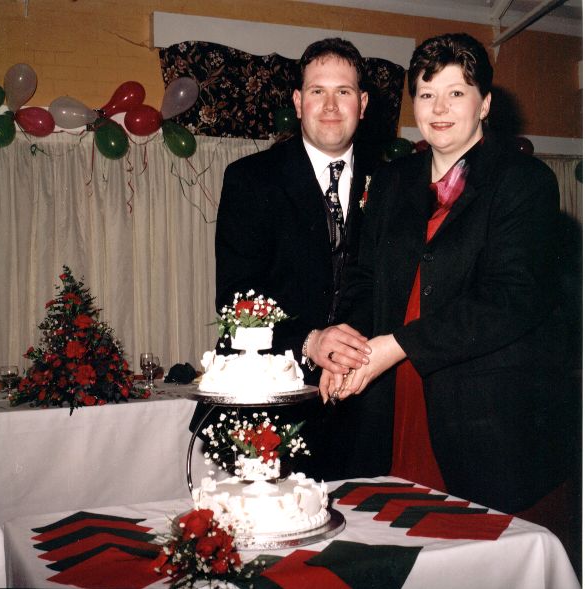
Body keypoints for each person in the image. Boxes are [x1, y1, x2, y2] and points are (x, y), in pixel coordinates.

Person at [319, 32, 579, 537]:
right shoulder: (392, 180)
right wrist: (345, 345)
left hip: (484, 417)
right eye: (426, 93)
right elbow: (364, 279)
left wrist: (396, 346)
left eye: (456, 93)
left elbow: (509, 300)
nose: (439, 109)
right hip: (393, 398)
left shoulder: (525, 181)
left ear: (485, 104)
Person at [192, 37, 374, 480]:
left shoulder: (391, 183)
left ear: (363, 103)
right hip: (270, 411)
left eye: (343, 91)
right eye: (317, 91)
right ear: (297, 101)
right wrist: (310, 342)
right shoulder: (251, 179)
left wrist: (350, 356)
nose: (330, 105)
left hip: (365, 413)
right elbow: (236, 301)